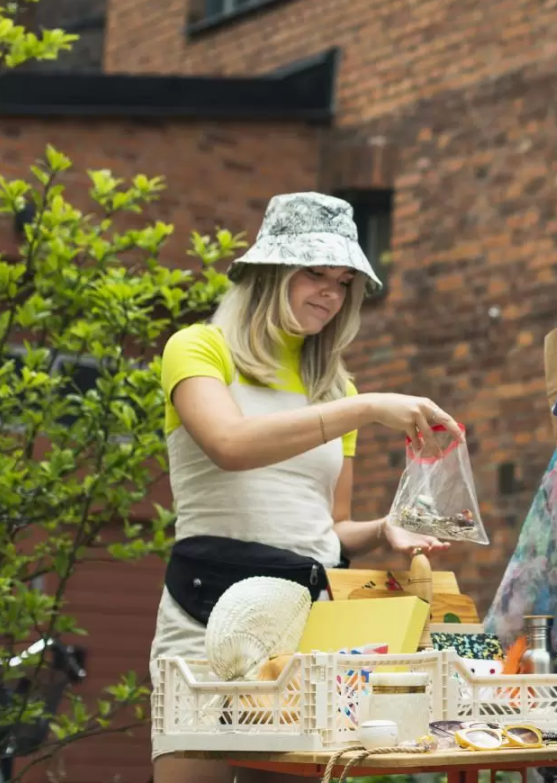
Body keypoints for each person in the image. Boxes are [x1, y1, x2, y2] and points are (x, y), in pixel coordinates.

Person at [150, 193, 463, 783]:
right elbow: (230, 444)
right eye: (314, 273)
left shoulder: (335, 388)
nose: (330, 292)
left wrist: (382, 529)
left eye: (344, 281)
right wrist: (367, 408)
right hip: (202, 613)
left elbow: (328, 527)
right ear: (270, 272)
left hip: (308, 628)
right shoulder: (198, 349)